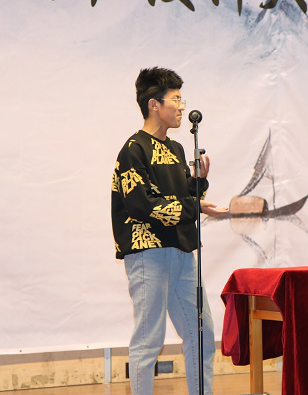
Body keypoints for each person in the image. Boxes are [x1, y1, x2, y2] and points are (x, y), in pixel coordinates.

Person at [111, 67, 225, 395]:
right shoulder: (134, 149)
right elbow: (141, 205)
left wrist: (198, 183)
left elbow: (182, 197)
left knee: (200, 334)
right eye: (175, 99)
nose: (181, 107)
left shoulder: (175, 150)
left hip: (181, 251)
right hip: (147, 253)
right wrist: (194, 206)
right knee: (149, 339)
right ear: (154, 105)